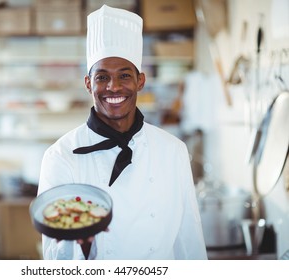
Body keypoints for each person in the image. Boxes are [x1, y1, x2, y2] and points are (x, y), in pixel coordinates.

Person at [37, 5, 207, 260]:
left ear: (140, 81)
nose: (113, 87)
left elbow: (189, 238)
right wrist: (81, 243)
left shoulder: (172, 151)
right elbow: (54, 255)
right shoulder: (61, 156)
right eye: (102, 77)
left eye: (124, 75)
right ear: (88, 83)